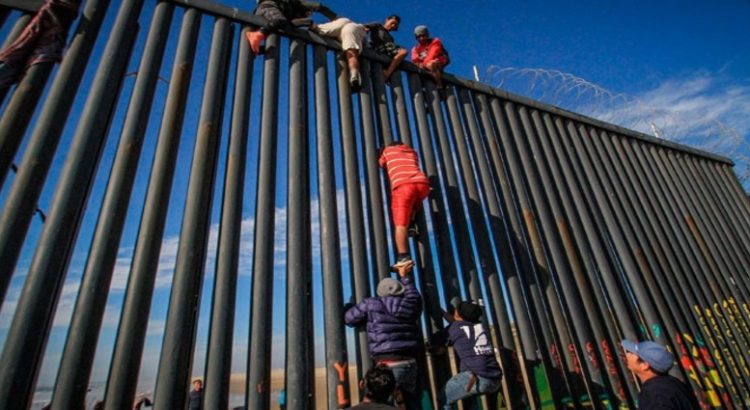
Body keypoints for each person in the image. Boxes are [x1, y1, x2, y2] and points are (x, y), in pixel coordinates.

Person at [344, 262, 423, 409]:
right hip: (410, 362)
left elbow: (349, 318)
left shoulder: (371, 304)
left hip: (387, 364)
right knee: (409, 402)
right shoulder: (410, 304)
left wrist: (349, 307)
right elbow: (414, 295)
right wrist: (405, 278)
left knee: (381, 404)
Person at [431, 301, 502, 410]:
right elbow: (459, 324)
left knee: (443, 397)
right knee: (469, 400)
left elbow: (436, 340)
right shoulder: (478, 326)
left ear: (457, 314)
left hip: (477, 378)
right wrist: (443, 313)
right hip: (495, 378)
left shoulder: (454, 328)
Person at [378, 141, 430, 271]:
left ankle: (403, 258)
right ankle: (412, 225)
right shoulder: (412, 152)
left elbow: (381, 163)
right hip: (422, 184)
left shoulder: (388, 151)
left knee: (400, 225)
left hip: (404, 186)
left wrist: (380, 154)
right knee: (412, 206)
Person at [621, 340, 700, 409]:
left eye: (632, 353)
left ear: (644, 365)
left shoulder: (653, 394)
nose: (628, 355)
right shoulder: (674, 383)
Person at [245, 0, 337, 56]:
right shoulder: (296, 3)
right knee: (281, 20)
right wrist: (334, 18)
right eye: (306, 13)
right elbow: (318, 6)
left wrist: (308, 23)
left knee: (282, 31)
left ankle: (256, 50)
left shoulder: (289, 13)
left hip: (267, 14)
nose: (304, 16)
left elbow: (292, 25)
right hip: (268, 8)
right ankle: (258, 35)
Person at [311, 17, 367, 90]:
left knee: (318, 29)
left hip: (340, 22)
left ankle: (311, 25)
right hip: (353, 26)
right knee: (351, 51)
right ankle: (354, 75)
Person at [364, 15, 408, 81]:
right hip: (378, 48)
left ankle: (387, 72)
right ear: (387, 20)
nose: (393, 26)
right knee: (403, 51)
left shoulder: (391, 38)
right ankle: (387, 74)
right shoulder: (378, 26)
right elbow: (364, 27)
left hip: (387, 54)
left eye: (395, 25)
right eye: (392, 23)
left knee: (402, 54)